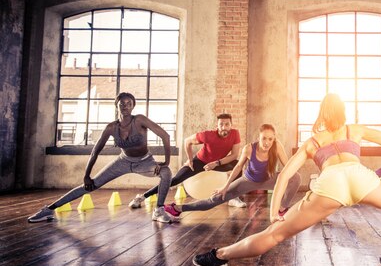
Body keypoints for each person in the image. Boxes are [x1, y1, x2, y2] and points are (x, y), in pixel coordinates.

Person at [191, 94, 381, 266]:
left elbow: (284, 175)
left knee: (274, 234)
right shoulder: (354, 129)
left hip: (329, 186)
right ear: (343, 112)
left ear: (322, 114)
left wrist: (273, 212)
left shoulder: (312, 143)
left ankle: (218, 256)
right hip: (360, 178)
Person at [28, 92, 174, 223]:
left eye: (129, 103)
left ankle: (159, 210)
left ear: (133, 106)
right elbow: (95, 151)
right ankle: (49, 209)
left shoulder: (140, 120)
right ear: (116, 106)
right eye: (122, 103)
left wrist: (166, 161)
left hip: (144, 162)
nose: (125, 106)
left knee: (166, 172)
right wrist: (86, 175)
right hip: (123, 161)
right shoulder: (111, 128)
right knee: (91, 185)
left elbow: (165, 136)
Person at [163, 123, 301, 219]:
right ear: (258, 137)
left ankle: (282, 209)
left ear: (274, 138)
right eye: (264, 138)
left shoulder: (276, 147)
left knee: (296, 177)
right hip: (248, 181)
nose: (267, 142)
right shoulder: (249, 149)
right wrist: (225, 186)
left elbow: (288, 166)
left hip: (269, 179)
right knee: (215, 200)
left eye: (270, 139)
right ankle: (178, 208)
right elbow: (238, 167)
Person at [128, 113, 247, 209]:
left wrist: (216, 163)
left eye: (227, 124)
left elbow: (234, 155)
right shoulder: (208, 135)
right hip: (200, 162)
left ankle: (232, 198)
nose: (224, 127)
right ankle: (141, 197)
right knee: (174, 180)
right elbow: (187, 141)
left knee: (238, 165)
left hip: (217, 163)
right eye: (221, 124)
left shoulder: (235, 134)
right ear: (217, 125)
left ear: (231, 125)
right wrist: (190, 160)